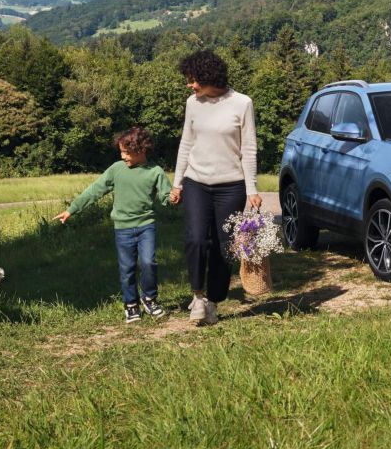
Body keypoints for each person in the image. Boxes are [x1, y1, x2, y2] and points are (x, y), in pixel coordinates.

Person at [169, 49, 261, 326]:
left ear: (210, 77)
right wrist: (177, 183)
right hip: (196, 181)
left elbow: (249, 148)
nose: (190, 85)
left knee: (225, 246)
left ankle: (213, 301)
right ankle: (197, 296)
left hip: (231, 186)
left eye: (193, 79)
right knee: (196, 239)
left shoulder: (242, 103)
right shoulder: (193, 103)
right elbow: (186, 143)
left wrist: (252, 189)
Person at [56, 127, 171, 323]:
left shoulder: (156, 171)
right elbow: (95, 190)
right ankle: (131, 304)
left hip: (146, 226)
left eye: (126, 152)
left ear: (142, 150)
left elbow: (166, 197)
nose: (122, 156)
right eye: (121, 152)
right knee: (127, 268)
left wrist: (174, 198)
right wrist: (72, 209)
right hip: (123, 229)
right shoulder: (116, 169)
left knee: (148, 263)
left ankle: (150, 299)